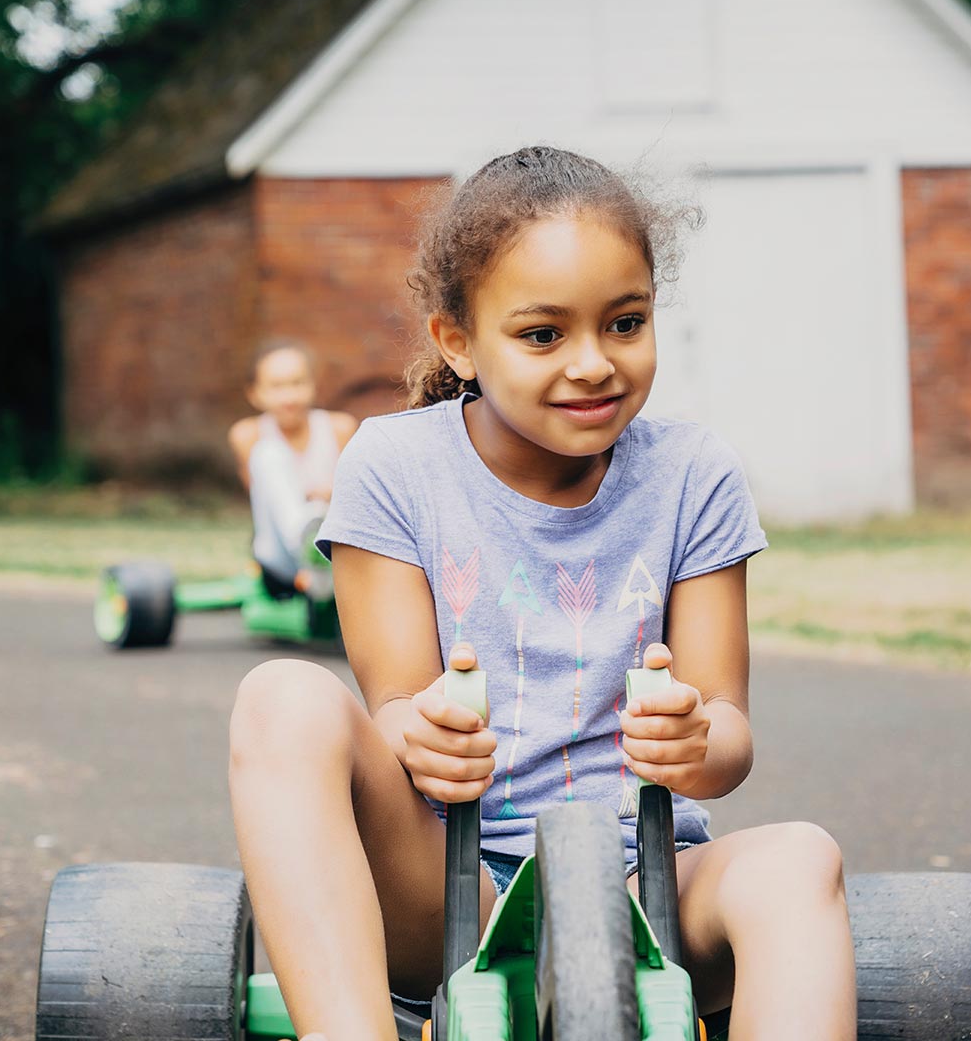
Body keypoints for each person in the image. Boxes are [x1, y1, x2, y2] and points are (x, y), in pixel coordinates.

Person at [227, 146, 855, 1041]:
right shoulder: (395, 466)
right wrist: (423, 730)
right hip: (449, 879)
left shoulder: (692, 474)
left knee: (802, 858)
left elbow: (729, 737)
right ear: (458, 341)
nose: (594, 364)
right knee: (279, 698)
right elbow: (396, 706)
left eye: (626, 323)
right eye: (542, 335)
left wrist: (692, 737)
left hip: (652, 884)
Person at [227, 339, 358, 599]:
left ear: (312, 386)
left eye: (297, 384)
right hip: (280, 558)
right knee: (268, 453)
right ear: (255, 394)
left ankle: (317, 550)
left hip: (334, 546)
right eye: (276, 387)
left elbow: (356, 499)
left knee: (323, 510)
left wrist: (330, 494)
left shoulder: (340, 428)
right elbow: (264, 499)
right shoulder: (248, 435)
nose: (289, 397)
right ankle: (305, 541)